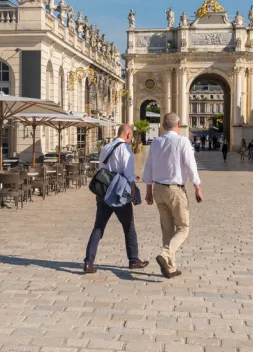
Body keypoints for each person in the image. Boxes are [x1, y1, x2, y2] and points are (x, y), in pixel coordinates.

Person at [143, 113, 203, 279]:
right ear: (178, 125)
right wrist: (197, 187)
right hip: (175, 190)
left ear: (163, 126)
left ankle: (170, 268)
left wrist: (148, 190)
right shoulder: (182, 141)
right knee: (183, 228)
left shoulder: (156, 142)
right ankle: (165, 254)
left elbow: (149, 166)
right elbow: (191, 166)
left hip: (158, 191)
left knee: (167, 230)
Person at [83, 124, 149, 274]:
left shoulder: (106, 147)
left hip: (104, 192)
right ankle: (133, 260)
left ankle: (88, 262)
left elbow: (104, 169)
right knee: (129, 227)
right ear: (127, 134)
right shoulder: (125, 148)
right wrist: (133, 183)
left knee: (98, 227)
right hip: (118, 194)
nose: (131, 139)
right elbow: (128, 171)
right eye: (131, 136)